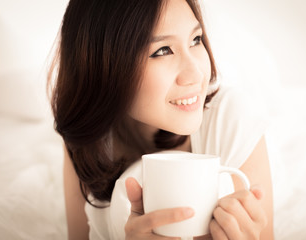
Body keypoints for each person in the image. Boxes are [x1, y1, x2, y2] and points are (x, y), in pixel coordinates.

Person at [48, 0, 274, 239]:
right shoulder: (86, 136)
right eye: (162, 51)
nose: (196, 74)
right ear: (102, 66)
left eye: (196, 40)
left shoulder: (229, 119)